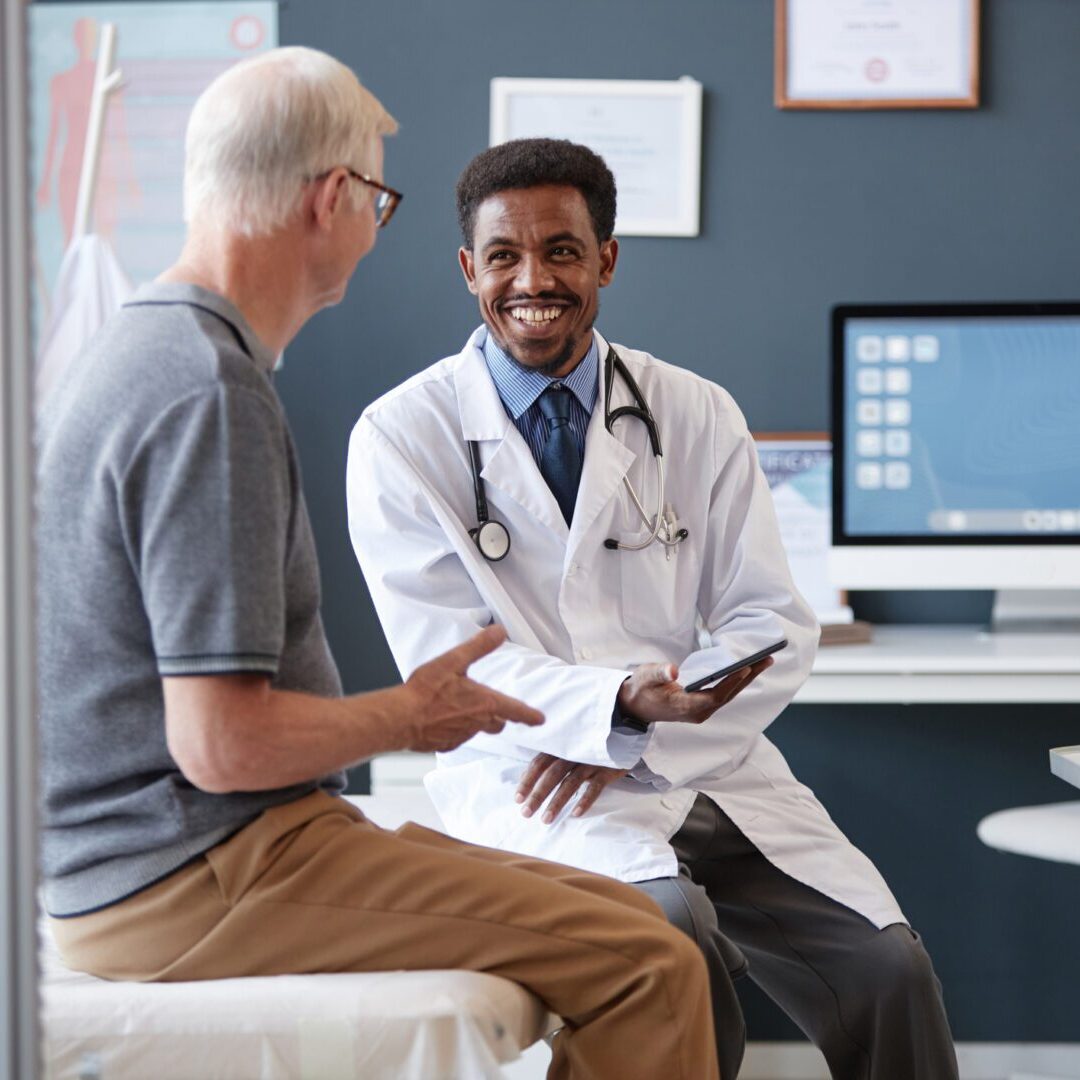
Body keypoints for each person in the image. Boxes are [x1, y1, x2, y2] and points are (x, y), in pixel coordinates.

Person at [36, 52, 722, 1080]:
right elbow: (220, 746)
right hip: (187, 873)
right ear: (332, 197)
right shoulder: (205, 393)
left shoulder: (156, 352)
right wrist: (414, 715)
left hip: (185, 852)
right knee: (652, 966)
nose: (374, 228)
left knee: (628, 916)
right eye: (380, 200)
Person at [347, 137, 959, 1080]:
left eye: (561, 250)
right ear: (469, 268)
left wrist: (644, 727)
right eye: (504, 255)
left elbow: (771, 625)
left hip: (705, 768)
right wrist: (607, 711)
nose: (532, 279)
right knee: (674, 946)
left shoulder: (696, 411)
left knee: (888, 968)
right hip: (534, 780)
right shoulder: (401, 436)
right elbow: (449, 666)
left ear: (606, 260)